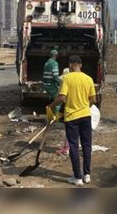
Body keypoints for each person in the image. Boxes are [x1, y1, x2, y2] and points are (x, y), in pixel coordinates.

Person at [47, 55, 97, 186]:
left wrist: (50, 106)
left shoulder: (67, 78)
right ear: (80, 65)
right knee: (87, 145)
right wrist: (85, 107)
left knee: (74, 146)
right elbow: (93, 100)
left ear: (71, 64)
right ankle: (87, 175)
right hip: (86, 116)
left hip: (72, 118)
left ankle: (77, 177)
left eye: (69, 65)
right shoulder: (89, 79)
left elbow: (62, 98)